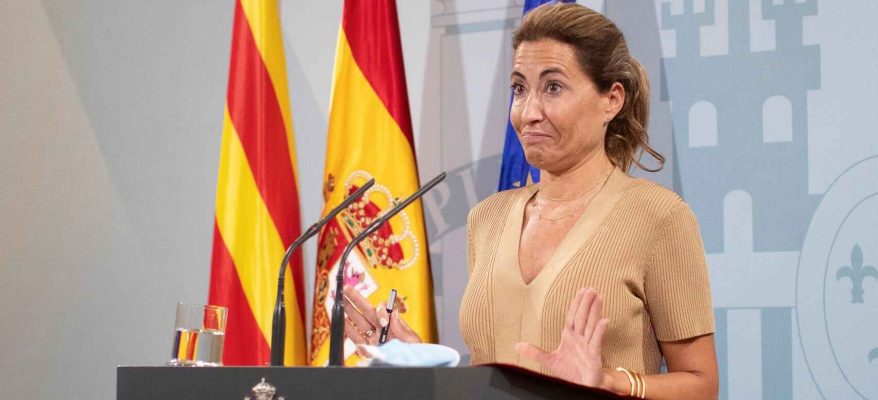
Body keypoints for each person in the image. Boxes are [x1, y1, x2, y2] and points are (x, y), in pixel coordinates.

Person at [342, 3, 718, 399]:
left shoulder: (658, 217)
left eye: (553, 87)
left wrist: (609, 381)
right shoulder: (487, 218)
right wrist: (417, 362)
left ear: (611, 100)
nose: (528, 112)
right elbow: (495, 376)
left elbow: (701, 384)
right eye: (519, 89)